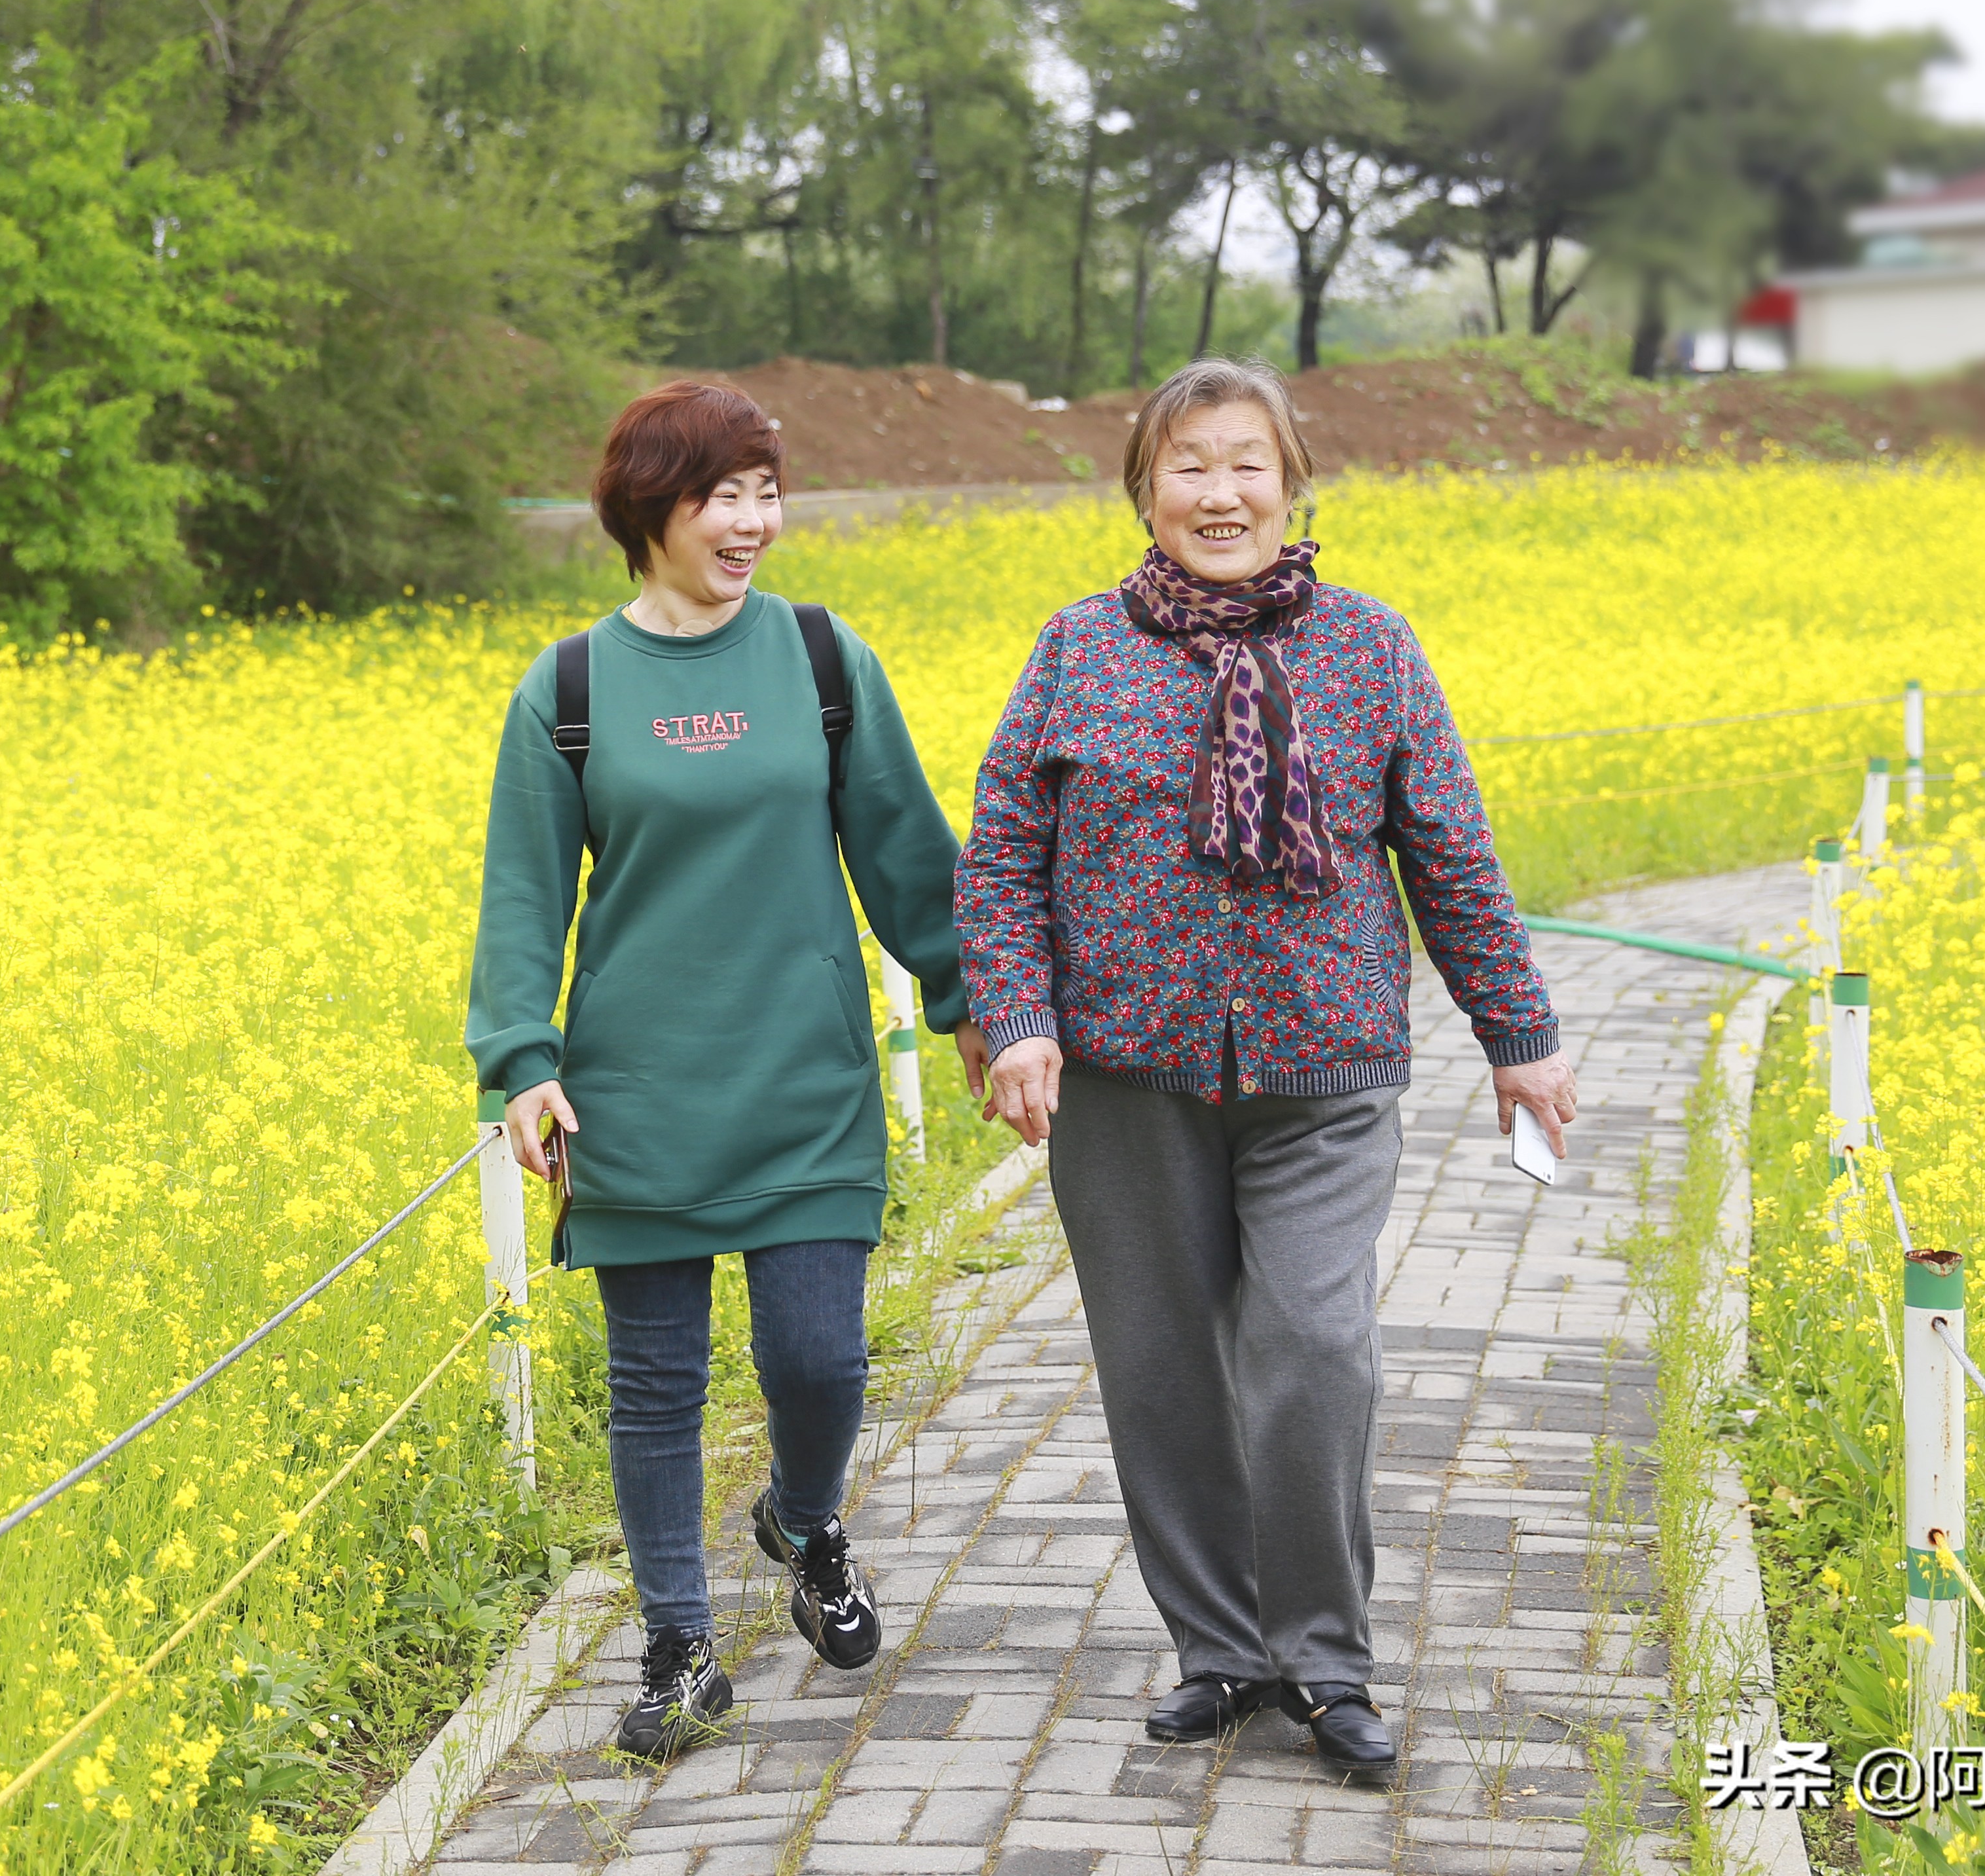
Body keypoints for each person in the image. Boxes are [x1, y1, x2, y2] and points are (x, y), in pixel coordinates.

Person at [954, 356, 1580, 1784]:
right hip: (1126, 1074)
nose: (1219, 491)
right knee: (1161, 1367)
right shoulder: (1077, 646)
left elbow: (1451, 853)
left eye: (1247, 462)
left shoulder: (1369, 645)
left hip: (1324, 1066)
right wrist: (1020, 1012)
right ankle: (1219, 1649)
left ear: (1294, 488)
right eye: (1189, 465)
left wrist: (1520, 1034)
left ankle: (1327, 1656)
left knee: (1314, 1348)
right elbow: (1000, 858)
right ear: (1143, 491)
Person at [467, 380, 987, 1761]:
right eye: (725, 493)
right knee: (656, 1383)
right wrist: (520, 1060)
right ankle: (678, 1644)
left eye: (768, 488)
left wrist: (967, 998)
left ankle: (806, 1521)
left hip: (804, 1075)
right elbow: (522, 892)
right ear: (650, 507)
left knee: (816, 1354)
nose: (755, 519)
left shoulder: (821, 659)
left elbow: (901, 843)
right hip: (635, 1087)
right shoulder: (569, 687)